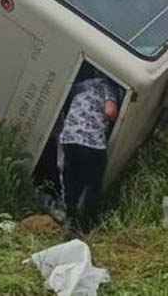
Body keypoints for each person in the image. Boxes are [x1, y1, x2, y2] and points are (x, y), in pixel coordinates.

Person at [58, 73, 121, 233]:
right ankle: (88, 224)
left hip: (69, 138)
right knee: (93, 183)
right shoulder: (108, 87)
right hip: (91, 140)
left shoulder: (81, 85)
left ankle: (71, 219)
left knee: (73, 178)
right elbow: (109, 111)